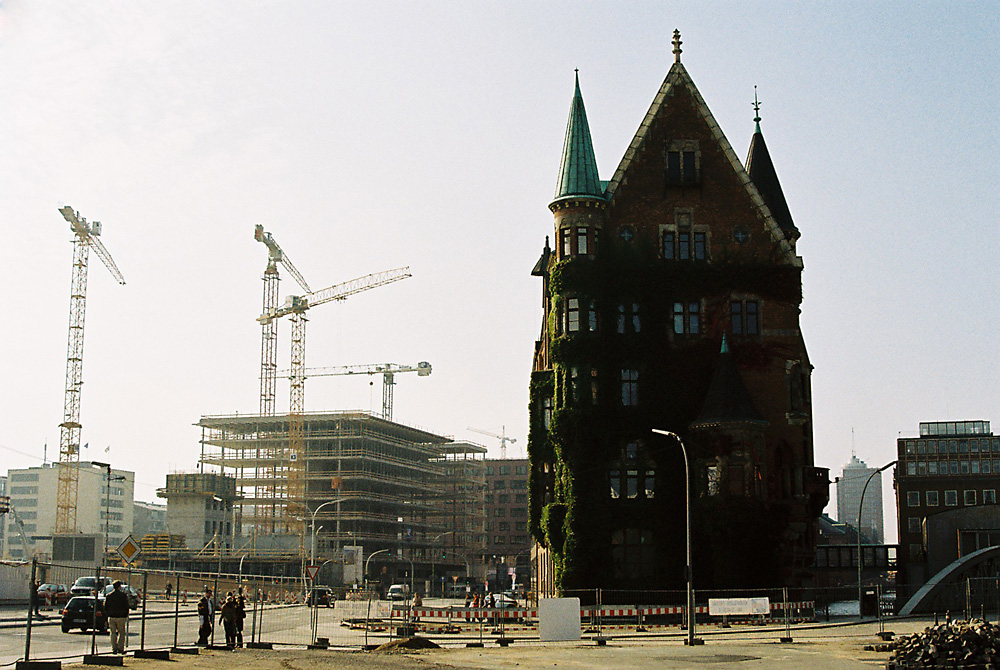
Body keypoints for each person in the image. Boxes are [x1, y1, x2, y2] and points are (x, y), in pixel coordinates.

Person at [105, 581, 130, 654]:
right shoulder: (123, 596)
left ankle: (114, 648)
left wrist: (108, 614)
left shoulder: (109, 596)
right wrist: (126, 614)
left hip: (112, 616)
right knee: (121, 633)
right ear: (119, 586)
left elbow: (106, 606)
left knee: (113, 633)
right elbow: (126, 606)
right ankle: (120, 648)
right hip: (121, 616)